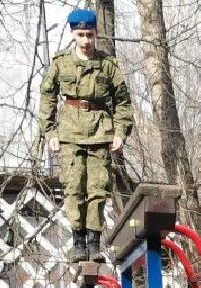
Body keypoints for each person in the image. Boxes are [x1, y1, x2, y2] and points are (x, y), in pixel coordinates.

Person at [37, 9, 133, 262]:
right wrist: (50, 131)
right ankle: (78, 242)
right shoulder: (61, 63)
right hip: (69, 133)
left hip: (101, 133)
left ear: (96, 34)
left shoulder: (108, 66)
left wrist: (120, 132)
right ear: (73, 34)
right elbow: (47, 96)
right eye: (80, 35)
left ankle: (94, 242)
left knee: (98, 189)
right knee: (73, 188)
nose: (85, 41)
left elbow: (123, 101)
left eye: (89, 35)